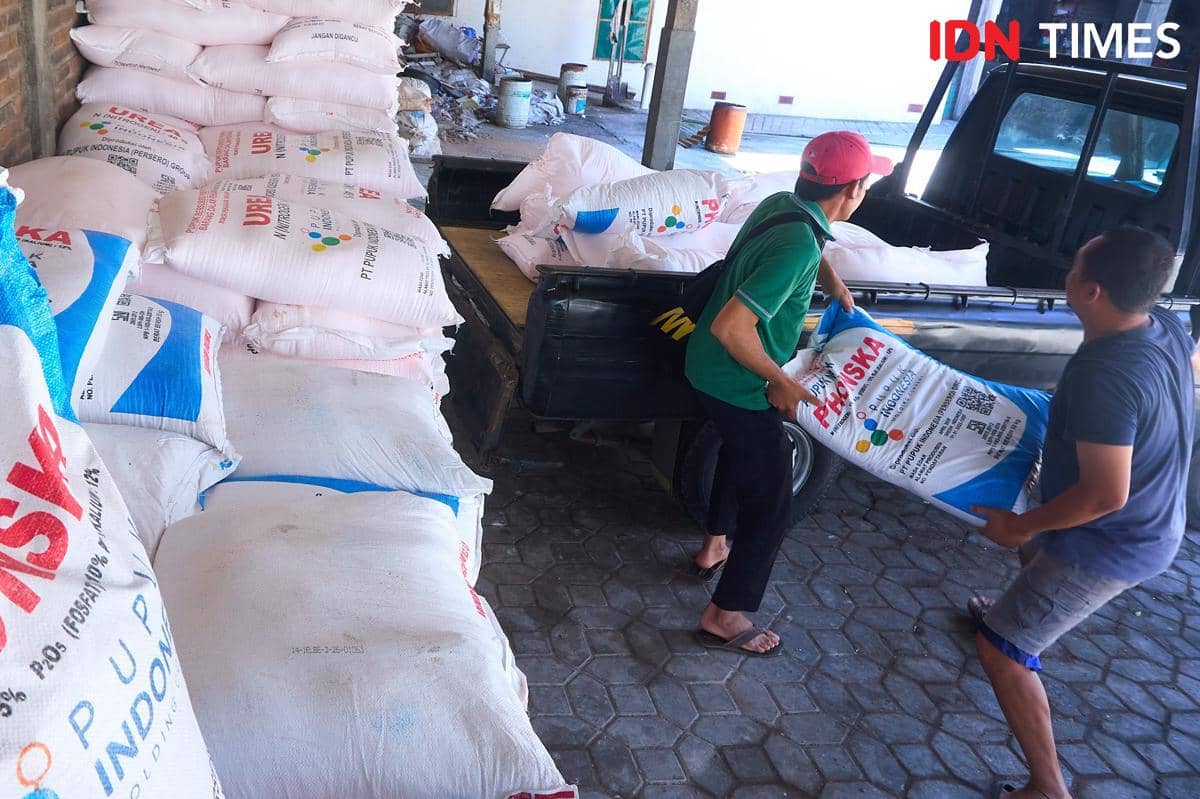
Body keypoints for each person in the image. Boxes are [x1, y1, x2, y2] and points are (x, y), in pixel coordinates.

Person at [971, 227, 1196, 799]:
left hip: (1112, 543)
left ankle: (1048, 787)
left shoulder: (1107, 375)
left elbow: (1103, 496)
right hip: (1145, 516)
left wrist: (1014, 526)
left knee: (1002, 649)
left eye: (1073, 270)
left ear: (1092, 292)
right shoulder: (1164, 324)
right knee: (1036, 549)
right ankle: (1014, 606)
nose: (1065, 276)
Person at [684, 131, 893, 656]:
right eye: (865, 185)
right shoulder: (800, 243)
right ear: (853, 191)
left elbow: (805, 241)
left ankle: (714, 546)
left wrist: (832, 281)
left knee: (741, 454)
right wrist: (783, 382)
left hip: (707, 372)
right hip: (737, 379)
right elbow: (732, 328)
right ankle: (725, 615)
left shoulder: (785, 207)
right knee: (773, 500)